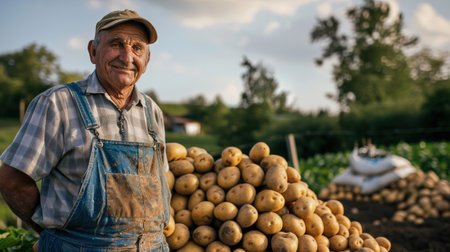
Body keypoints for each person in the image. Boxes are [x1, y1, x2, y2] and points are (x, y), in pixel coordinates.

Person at [0, 9, 171, 251]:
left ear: (147, 59)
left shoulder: (151, 111)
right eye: (116, 44)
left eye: (138, 48)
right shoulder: (57, 103)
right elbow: (12, 178)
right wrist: (53, 234)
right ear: (93, 51)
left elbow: (160, 181)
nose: (127, 56)